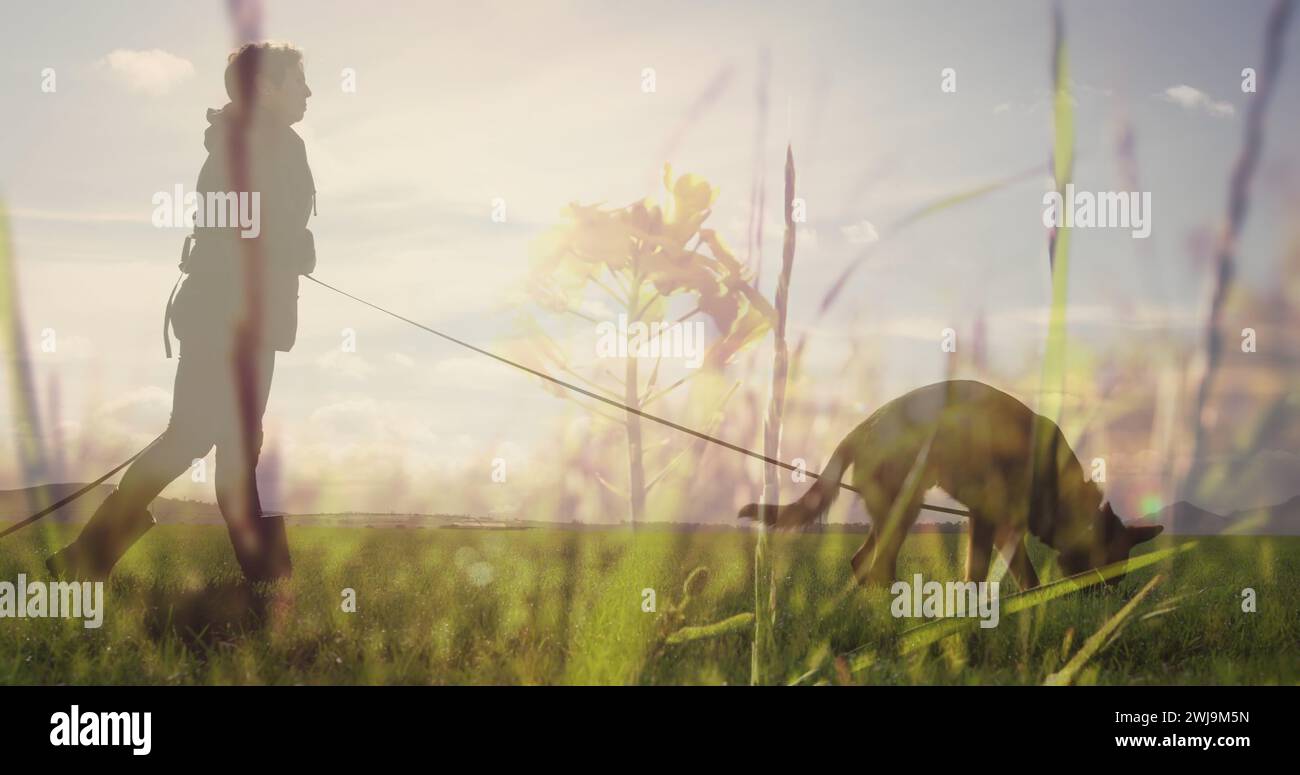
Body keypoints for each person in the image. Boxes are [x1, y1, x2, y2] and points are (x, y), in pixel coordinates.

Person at [47, 41, 316, 583]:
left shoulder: (246, 142)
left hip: (231, 318)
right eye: (298, 80)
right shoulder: (260, 144)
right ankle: (269, 589)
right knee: (208, 442)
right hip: (230, 320)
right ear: (266, 86)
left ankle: (87, 560)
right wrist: (297, 250)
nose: (307, 91)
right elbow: (248, 230)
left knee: (208, 441)